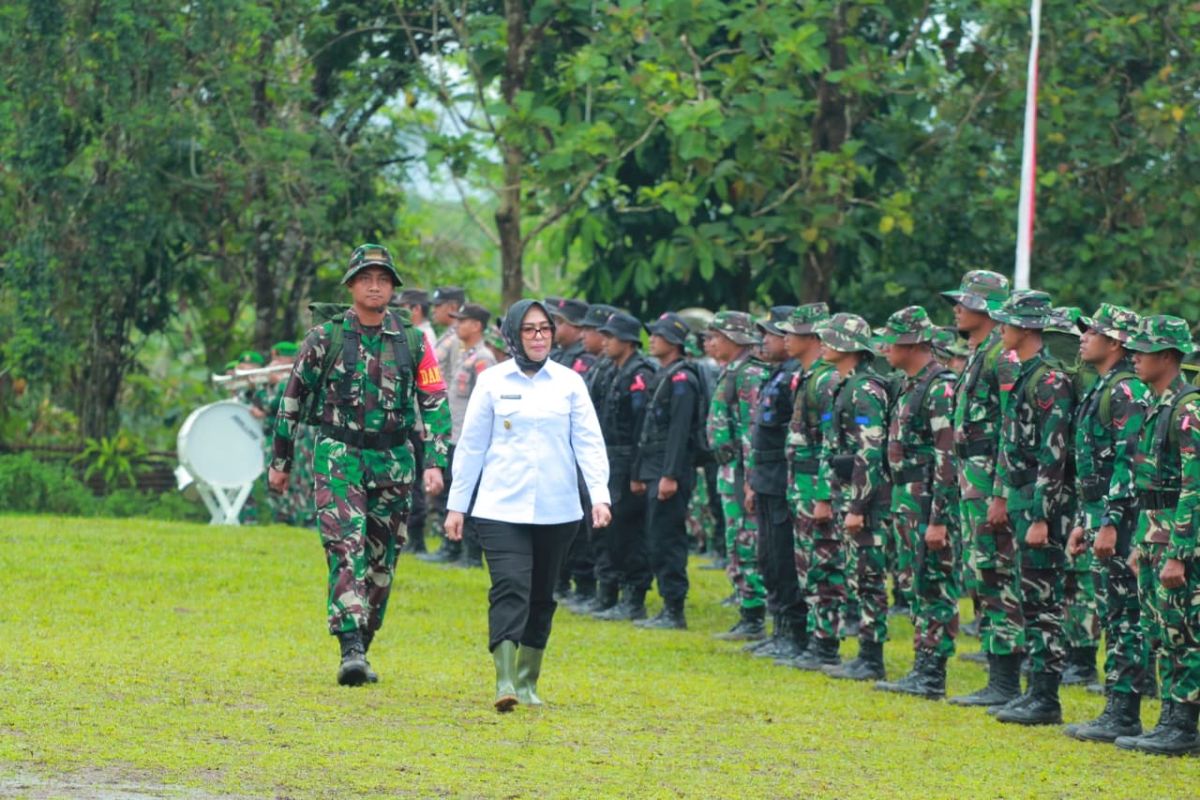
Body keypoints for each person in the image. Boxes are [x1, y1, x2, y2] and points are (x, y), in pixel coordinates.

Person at [269, 244, 450, 687]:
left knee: (382, 560)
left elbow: (434, 400)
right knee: (344, 547)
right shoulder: (325, 338)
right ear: (351, 285)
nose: (374, 286)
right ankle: (349, 647)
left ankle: (364, 642)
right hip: (339, 456)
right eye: (366, 279)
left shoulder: (413, 341)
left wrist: (436, 461)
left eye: (383, 280)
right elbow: (291, 399)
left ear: (392, 288)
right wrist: (281, 460)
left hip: (394, 461)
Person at [445, 299, 612, 712]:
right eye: (529, 329)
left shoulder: (569, 383)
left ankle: (527, 681)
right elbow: (472, 446)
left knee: (541, 594)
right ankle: (504, 680)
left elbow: (588, 442)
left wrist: (599, 495)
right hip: (500, 507)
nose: (539, 337)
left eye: (545, 329)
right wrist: (457, 506)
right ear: (513, 335)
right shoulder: (492, 381)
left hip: (558, 509)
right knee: (510, 586)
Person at [987, 290, 1074, 726]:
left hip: (1043, 505)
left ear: (1026, 328)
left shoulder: (1050, 380)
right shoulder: (1027, 375)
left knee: (1044, 601)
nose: (1001, 328)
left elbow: (1053, 455)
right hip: (1023, 498)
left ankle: (1046, 697)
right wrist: (1005, 495)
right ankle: (1035, 689)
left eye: (1007, 322)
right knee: (1030, 599)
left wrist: (1041, 515)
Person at [1062, 304, 1149, 742]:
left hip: (1123, 519)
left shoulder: (1126, 390)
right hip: (1101, 513)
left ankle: (1125, 712)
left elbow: (1128, 462)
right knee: (1112, 614)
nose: (1083, 338)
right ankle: (1117, 707)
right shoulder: (1104, 386)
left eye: (1091, 332)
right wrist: (1085, 520)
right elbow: (1093, 468)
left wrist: (1112, 522)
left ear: (1115, 342)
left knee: (1125, 614)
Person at [1115, 316, 1200, 755]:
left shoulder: (1188, 410)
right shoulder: (1157, 405)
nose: (1134, 357)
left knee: (1184, 632)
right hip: (1154, 534)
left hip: (1177, 539)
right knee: (1161, 632)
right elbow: (1150, 485)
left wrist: (1179, 553)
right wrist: (1141, 543)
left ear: (1167, 356)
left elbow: (1194, 486)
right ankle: (1169, 718)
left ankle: (1184, 726)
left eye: (1143, 350)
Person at [943, 271, 1024, 707]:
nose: (958, 308)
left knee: (997, 573)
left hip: (990, 481)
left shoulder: (1002, 357)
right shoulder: (982, 353)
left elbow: (1013, 428)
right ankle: (997, 675)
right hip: (972, 479)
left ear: (988, 309)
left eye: (967, 302)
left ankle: (1007, 680)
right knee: (982, 573)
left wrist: (1000, 492)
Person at [873, 306, 958, 699]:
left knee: (933, 583)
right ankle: (921, 663)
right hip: (906, 500)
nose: (885, 347)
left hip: (927, 503)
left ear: (912, 343)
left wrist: (939, 518)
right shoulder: (910, 385)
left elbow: (947, 458)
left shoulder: (940, 388)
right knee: (914, 582)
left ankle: (932, 672)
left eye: (892, 340)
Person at [816, 313, 891, 682]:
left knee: (869, 576)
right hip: (849, 492)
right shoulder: (846, 385)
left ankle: (872, 657)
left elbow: (870, 451)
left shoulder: (865, 390)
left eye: (831, 338)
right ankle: (864, 653)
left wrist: (859, 505)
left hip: (867, 498)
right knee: (857, 575)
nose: (823, 344)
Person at [779, 303, 842, 670]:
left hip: (817, 487)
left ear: (814, 337)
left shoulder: (827, 380)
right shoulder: (809, 377)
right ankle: (815, 640)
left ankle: (826, 645)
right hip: (801, 484)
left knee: (823, 565)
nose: (786, 338)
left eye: (793, 332)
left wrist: (824, 495)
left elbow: (834, 442)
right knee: (807, 565)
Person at [633, 312, 704, 630]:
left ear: (674, 342)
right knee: (655, 537)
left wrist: (670, 475)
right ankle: (666, 604)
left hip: (669, 470)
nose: (652, 340)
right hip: (655, 467)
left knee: (668, 539)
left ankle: (674, 609)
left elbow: (679, 431)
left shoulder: (682, 380)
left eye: (658, 335)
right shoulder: (664, 374)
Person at [744, 306, 806, 661]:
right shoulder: (779, 375)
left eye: (772, 333)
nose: (765, 340)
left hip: (784, 478)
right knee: (768, 556)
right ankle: (779, 628)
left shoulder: (797, 376)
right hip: (766, 478)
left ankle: (794, 633)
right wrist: (753, 481)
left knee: (784, 557)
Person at [706, 311, 771, 640]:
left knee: (746, 541)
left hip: (743, 472)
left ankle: (754, 614)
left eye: (716, 336)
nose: (711, 343)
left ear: (734, 338)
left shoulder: (750, 375)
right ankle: (747, 607)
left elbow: (752, 431)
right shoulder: (732, 371)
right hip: (729, 471)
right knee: (736, 539)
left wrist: (751, 481)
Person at [592, 311, 657, 622]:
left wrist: (637, 470)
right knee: (610, 530)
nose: (604, 341)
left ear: (628, 342)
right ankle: (611, 590)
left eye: (611, 337)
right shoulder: (612, 370)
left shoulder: (640, 374)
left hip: (629, 459)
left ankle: (634, 597)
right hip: (610, 457)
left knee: (630, 530)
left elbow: (642, 427)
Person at [444, 302, 498, 568]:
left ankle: (472, 554)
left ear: (477, 326)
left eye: (463, 320)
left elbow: (487, 403)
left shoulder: (484, 358)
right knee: (456, 490)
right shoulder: (466, 354)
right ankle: (453, 548)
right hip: (456, 434)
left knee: (473, 494)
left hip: (472, 438)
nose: (457, 325)